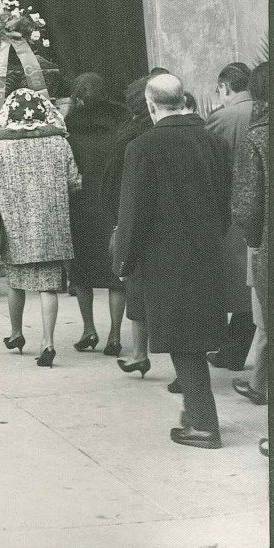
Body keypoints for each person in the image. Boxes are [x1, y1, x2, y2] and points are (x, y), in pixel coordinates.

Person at [114, 74, 230, 449]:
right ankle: (195, 412)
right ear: (182, 99)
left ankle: (203, 424)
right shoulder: (213, 141)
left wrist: (124, 260)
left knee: (184, 341)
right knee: (194, 337)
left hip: (165, 257)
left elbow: (133, 213)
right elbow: (225, 202)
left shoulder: (143, 146)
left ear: (151, 105)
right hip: (208, 252)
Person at [0, 89, 81, 367]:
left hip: (16, 227)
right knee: (48, 286)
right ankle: (48, 341)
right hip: (52, 227)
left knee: (16, 282)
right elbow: (75, 182)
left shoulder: (0, 146)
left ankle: (16, 333)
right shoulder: (60, 143)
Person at [64, 73, 128, 355]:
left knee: (81, 274)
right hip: (113, 203)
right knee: (115, 274)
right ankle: (115, 335)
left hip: (80, 205)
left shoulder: (69, 128)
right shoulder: (123, 124)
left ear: (78, 96)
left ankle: (89, 329)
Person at [100, 76, 153, 377]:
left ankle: (140, 353)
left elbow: (111, 184)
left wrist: (117, 221)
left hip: (132, 218)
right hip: (165, 223)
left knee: (135, 285)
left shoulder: (129, 137)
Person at [205, 62, 255, 371]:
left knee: (233, 285)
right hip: (256, 209)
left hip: (231, 209)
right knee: (248, 287)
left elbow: (208, 163)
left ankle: (231, 351)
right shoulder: (262, 111)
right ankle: (236, 351)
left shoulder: (223, 117)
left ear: (224, 88)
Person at [230, 61, 268, 416]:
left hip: (267, 245)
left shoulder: (257, 137)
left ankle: (260, 385)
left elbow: (246, 206)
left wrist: (254, 242)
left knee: (267, 319)